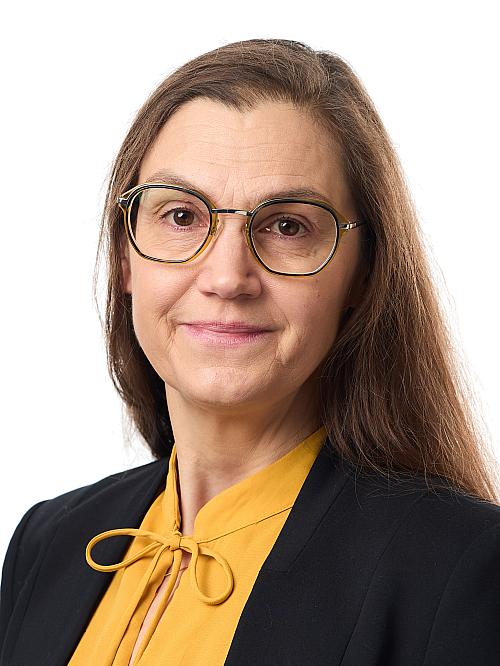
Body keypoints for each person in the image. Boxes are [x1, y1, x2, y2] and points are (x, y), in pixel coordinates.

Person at [1, 38, 499, 666]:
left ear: (364, 274)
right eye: (181, 216)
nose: (227, 277)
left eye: (287, 225)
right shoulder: (48, 542)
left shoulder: (459, 570)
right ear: (124, 255)